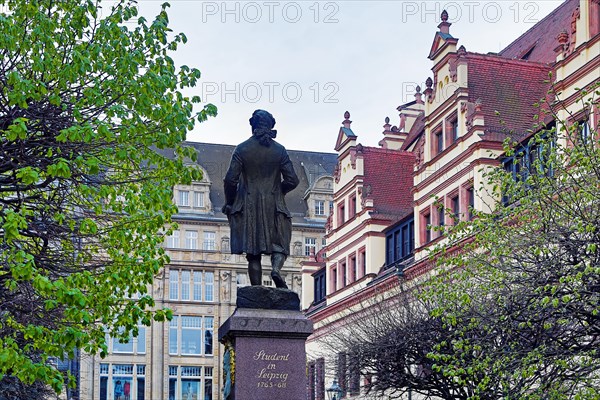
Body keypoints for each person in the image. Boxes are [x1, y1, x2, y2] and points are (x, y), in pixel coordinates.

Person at [223, 110, 299, 288]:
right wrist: (280, 191)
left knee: (253, 252)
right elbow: (293, 180)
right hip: (274, 204)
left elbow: (230, 180)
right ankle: (276, 270)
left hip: (249, 206)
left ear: (252, 126)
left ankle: (256, 289)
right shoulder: (279, 150)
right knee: (280, 243)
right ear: (271, 126)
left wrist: (229, 202)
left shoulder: (242, 149)